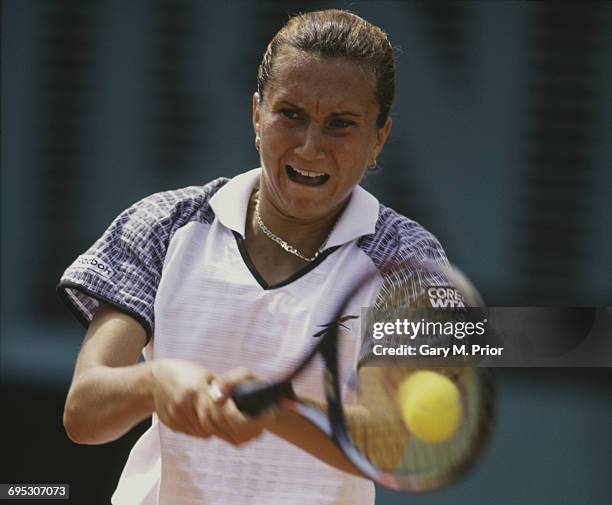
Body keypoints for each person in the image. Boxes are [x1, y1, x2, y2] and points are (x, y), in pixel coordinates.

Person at [59, 9, 448, 505]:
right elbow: (83, 412)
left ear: (379, 138)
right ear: (256, 115)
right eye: (291, 114)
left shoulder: (408, 259)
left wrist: (279, 408)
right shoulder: (162, 225)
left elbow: (399, 447)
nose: (310, 148)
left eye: (341, 125)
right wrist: (154, 381)